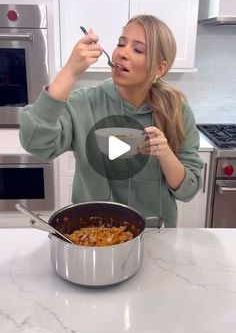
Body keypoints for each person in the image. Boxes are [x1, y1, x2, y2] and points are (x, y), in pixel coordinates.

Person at [19, 14, 203, 227]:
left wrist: (165, 154)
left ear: (160, 69)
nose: (122, 53)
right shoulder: (83, 103)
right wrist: (70, 71)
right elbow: (36, 143)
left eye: (138, 49)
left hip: (155, 235)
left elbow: (188, 190)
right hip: (92, 233)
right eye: (121, 43)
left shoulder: (176, 111)